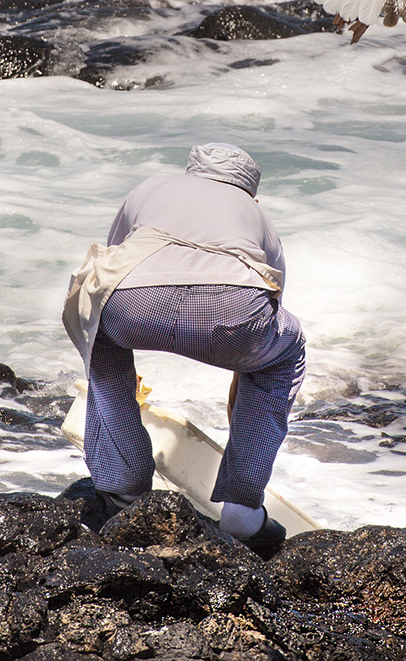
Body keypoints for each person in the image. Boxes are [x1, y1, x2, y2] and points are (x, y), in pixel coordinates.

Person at [63, 143, 304, 556]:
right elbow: (270, 302)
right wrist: (244, 378)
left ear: (191, 172)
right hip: (232, 310)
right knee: (287, 350)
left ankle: (123, 488)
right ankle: (243, 511)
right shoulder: (257, 215)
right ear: (250, 193)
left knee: (100, 326)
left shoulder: (152, 186)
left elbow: (114, 264)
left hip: (133, 304)